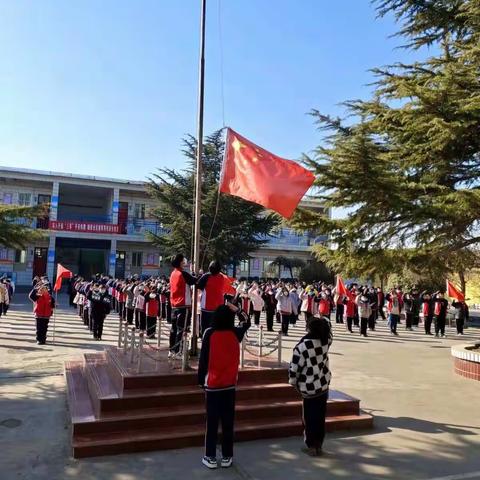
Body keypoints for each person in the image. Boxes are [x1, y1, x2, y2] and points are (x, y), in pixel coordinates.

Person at [198, 302, 250, 469]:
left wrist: (200, 380)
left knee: (212, 423)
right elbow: (247, 322)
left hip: (212, 385)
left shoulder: (209, 333)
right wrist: (239, 310)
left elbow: (203, 360)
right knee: (228, 422)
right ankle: (227, 455)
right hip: (229, 384)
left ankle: (210, 456)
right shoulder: (235, 333)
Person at [288, 316, 332, 457]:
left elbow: (295, 368)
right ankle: (319, 443)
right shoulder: (326, 341)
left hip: (308, 386)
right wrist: (323, 320)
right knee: (320, 416)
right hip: (323, 384)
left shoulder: (302, 347)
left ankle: (311, 445)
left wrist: (293, 381)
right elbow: (329, 329)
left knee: (309, 417)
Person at [169, 254, 197, 357]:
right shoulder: (183, 273)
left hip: (174, 305)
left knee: (173, 329)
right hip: (183, 305)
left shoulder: (173, 273)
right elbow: (195, 280)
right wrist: (196, 273)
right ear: (181, 262)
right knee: (181, 329)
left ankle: (171, 350)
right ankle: (178, 351)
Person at [197, 260, 226, 335]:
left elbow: (198, 285)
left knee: (205, 330)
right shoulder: (222, 277)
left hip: (207, 307)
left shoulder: (207, 276)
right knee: (216, 330)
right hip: (219, 307)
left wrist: (198, 275)